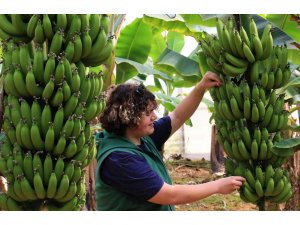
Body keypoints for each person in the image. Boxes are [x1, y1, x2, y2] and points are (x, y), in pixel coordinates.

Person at [95, 71, 245, 211]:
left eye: (153, 110)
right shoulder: (120, 159)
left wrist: (201, 87)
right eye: (147, 113)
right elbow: (170, 195)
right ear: (127, 117)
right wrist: (217, 186)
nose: (154, 116)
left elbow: (177, 117)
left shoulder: (140, 137)